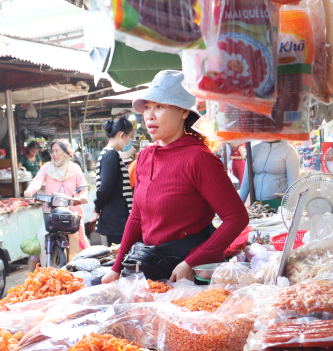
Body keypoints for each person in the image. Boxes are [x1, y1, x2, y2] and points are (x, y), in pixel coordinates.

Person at [102, 70, 249, 284]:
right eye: (148, 107)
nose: (150, 115)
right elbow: (136, 217)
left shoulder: (199, 158)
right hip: (152, 269)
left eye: (160, 107)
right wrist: (116, 268)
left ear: (182, 112)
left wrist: (192, 262)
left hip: (189, 275)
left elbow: (236, 218)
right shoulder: (144, 156)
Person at [24, 139, 89, 267]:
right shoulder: (47, 167)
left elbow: (83, 188)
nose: (54, 154)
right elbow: (37, 181)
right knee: (42, 235)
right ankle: (44, 268)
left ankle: (77, 269)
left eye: (57, 151)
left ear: (65, 152)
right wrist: (29, 190)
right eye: (52, 151)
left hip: (71, 213)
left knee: (77, 241)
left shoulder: (75, 168)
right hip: (51, 213)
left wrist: (82, 197)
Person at [94, 117, 135, 246]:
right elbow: (106, 188)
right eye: (130, 137)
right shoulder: (110, 155)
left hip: (117, 218)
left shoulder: (111, 154)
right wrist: (97, 206)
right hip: (116, 219)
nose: (130, 141)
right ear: (122, 135)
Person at [238, 140, 300, 208]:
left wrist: (291, 208)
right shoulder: (254, 149)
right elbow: (247, 180)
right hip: (257, 204)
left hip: (279, 204)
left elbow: (293, 185)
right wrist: (238, 205)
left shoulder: (289, 151)